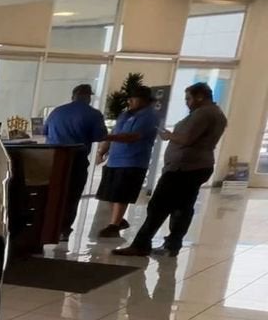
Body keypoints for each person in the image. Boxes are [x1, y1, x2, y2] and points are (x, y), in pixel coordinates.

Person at [113, 82, 228, 257]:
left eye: (188, 98)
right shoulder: (217, 113)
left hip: (184, 168)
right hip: (198, 166)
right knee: (183, 207)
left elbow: (187, 139)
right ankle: (172, 245)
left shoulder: (203, 114)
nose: (186, 102)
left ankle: (141, 244)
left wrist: (169, 136)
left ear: (200, 97)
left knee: (158, 205)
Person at [94, 85, 160, 238]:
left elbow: (133, 137)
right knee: (109, 194)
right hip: (115, 161)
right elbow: (115, 132)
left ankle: (114, 225)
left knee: (121, 194)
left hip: (132, 161)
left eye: (133, 98)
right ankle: (119, 221)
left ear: (143, 100)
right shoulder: (126, 114)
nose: (129, 101)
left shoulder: (149, 116)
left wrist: (106, 137)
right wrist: (102, 150)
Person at [43, 84, 106, 239]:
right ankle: (64, 229)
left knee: (52, 194)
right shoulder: (93, 114)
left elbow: (44, 131)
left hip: (54, 159)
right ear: (89, 98)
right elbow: (100, 136)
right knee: (72, 195)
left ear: (73, 96)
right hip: (76, 159)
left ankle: (47, 226)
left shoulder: (57, 112)